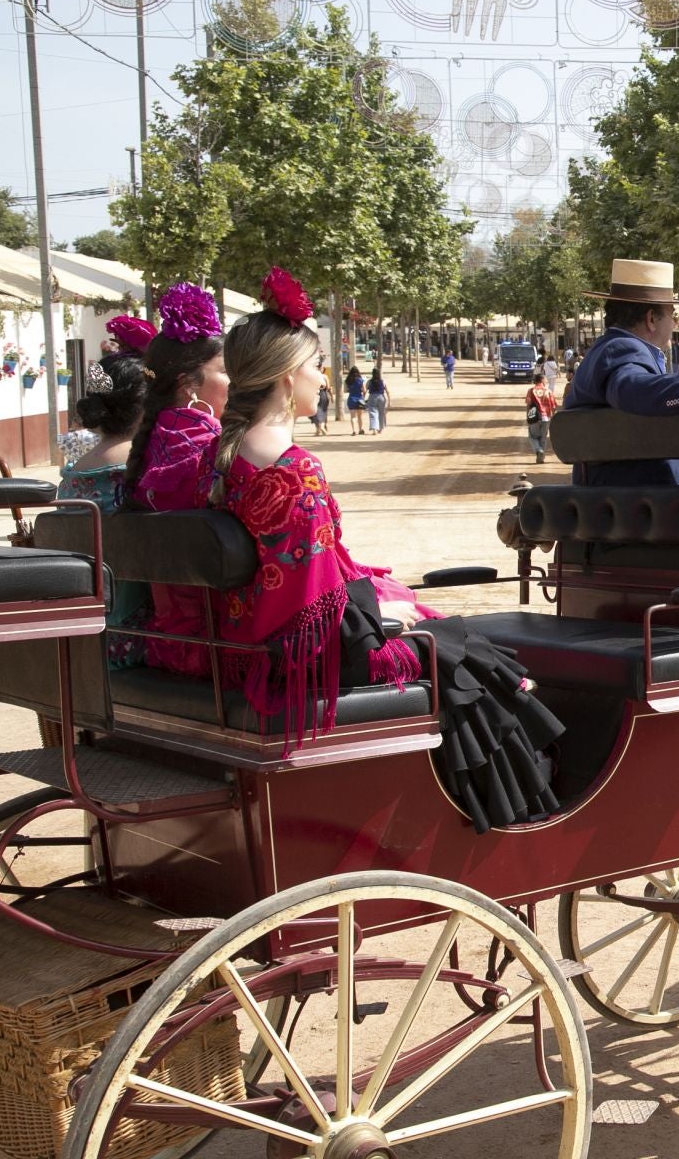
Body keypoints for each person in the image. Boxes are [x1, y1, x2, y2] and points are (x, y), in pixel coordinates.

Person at [204, 267, 562, 831]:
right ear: (283, 377)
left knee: (440, 629)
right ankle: (510, 810)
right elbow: (315, 604)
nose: (322, 379)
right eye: (314, 366)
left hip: (246, 642)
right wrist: (382, 615)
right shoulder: (295, 468)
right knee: (469, 654)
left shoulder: (223, 460)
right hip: (304, 655)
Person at [123, 282, 229, 677]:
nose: (233, 383)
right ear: (188, 385)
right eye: (224, 372)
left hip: (171, 640)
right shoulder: (210, 454)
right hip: (219, 643)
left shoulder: (154, 447)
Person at [563, 259, 679, 485]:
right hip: (644, 505)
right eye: (673, 315)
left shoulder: (607, 349)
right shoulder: (622, 349)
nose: (675, 324)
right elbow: (630, 386)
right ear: (651, 319)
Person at [58, 316, 155, 669]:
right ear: (146, 405)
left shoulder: (73, 473)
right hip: (144, 642)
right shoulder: (143, 471)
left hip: (81, 640)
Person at [526, 370, 558, 464]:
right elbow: (554, 406)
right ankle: (541, 458)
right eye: (545, 379)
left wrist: (528, 417)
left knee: (532, 437)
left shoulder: (531, 391)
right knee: (543, 438)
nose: (546, 381)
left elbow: (528, 405)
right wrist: (553, 417)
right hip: (546, 417)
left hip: (535, 417)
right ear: (542, 380)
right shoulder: (548, 391)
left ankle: (539, 450)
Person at [366, 366, 389, 434]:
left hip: (372, 397)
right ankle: (381, 428)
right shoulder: (383, 381)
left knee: (373, 413)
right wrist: (389, 401)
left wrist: (363, 397)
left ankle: (374, 429)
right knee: (381, 413)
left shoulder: (369, 381)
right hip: (381, 397)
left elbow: (365, 390)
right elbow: (387, 391)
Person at [344, 366, 367, 435]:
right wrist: (363, 396)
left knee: (353, 416)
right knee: (360, 416)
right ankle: (360, 429)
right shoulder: (360, 380)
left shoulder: (348, 380)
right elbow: (364, 390)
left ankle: (354, 430)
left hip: (351, 399)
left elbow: (346, 390)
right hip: (359, 399)